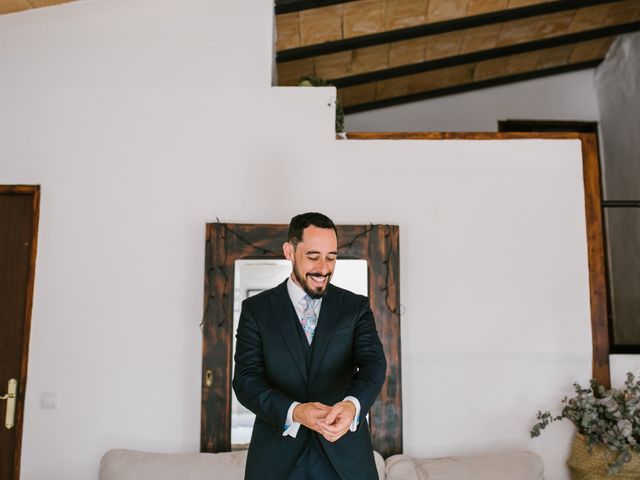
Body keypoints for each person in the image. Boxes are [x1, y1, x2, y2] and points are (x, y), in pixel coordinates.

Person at [232, 212, 387, 480]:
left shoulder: (356, 307)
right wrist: (294, 411)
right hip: (276, 461)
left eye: (331, 257)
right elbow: (246, 380)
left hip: (346, 461)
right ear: (289, 251)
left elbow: (374, 364)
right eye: (313, 256)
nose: (324, 268)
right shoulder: (256, 310)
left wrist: (352, 406)